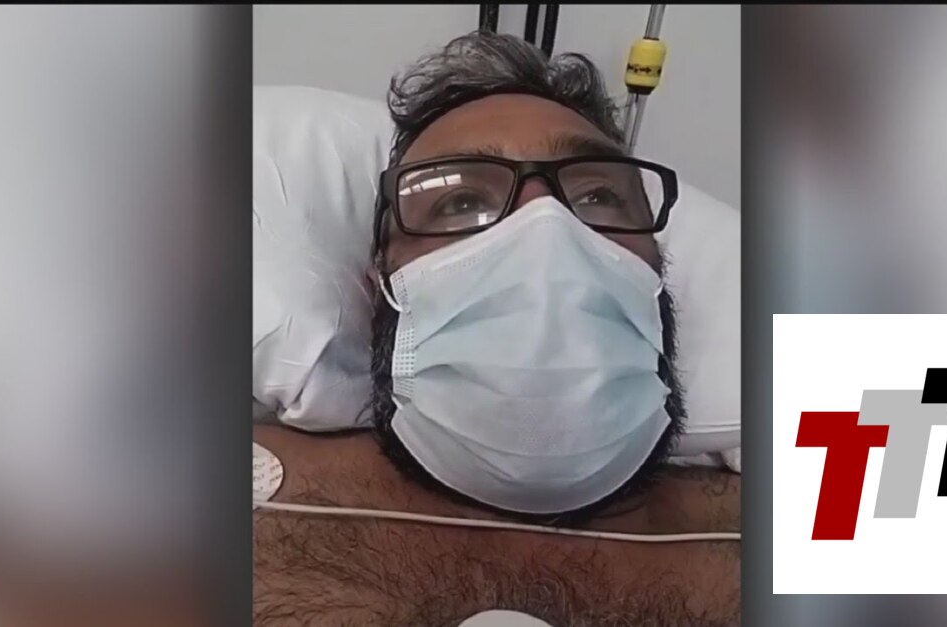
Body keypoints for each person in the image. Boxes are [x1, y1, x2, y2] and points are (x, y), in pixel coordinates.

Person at [254, 31, 740, 626]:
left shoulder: (818, 521)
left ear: (659, 273)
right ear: (378, 287)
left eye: (596, 196)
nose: (545, 228)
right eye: (460, 203)